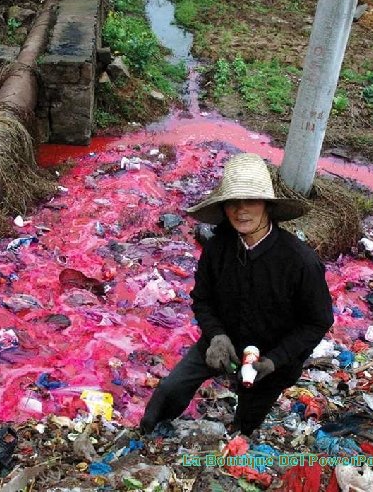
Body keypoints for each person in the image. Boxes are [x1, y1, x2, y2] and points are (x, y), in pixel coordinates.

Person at [139, 152, 334, 437]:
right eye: (233, 202)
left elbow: (317, 321)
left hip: (270, 358)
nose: (241, 210)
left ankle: (240, 433)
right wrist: (216, 335)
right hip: (222, 342)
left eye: (251, 201)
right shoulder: (218, 248)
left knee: (247, 419)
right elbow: (202, 298)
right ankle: (146, 433)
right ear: (224, 207)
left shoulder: (300, 261)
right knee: (171, 388)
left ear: (267, 206)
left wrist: (275, 359)